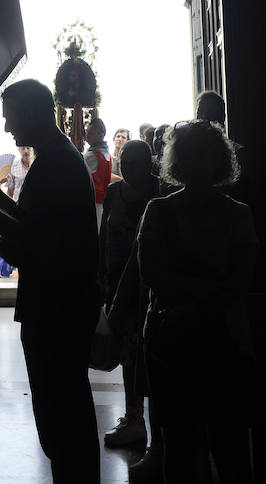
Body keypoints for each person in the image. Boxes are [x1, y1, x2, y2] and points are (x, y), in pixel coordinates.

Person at [0, 79, 100, 482]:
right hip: (57, 301)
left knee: (61, 410)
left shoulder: (57, 163)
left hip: (56, 305)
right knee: (62, 407)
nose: (7, 127)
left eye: (10, 117)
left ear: (29, 113)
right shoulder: (57, 156)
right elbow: (31, 219)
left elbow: (36, 238)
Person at [138, 120, 257, 484]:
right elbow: (235, 281)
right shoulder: (237, 214)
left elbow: (155, 276)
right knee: (216, 444)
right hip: (217, 335)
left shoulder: (159, 212)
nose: (197, 163)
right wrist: (206, 298)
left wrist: (188, 301)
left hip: (177, 335)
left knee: (188, 444)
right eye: (192, 156)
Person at [99, 140, 159, 451]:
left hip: (148, 285)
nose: (131, 169)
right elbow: (104, 236)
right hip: (116, 280)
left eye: (138, 163)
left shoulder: (159, 194)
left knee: (146, 352)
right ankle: (134, 416)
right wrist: (100, 274)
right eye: (126, 163)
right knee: (127, 352)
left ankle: (150, 422)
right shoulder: (114, 192)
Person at [83, 117, 111, 228]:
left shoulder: (91, 155)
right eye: (87, 132)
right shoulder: (106, 154)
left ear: (101, 135)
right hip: (101, 201)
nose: (87, 135)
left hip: (91, 200)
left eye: (90, 133)